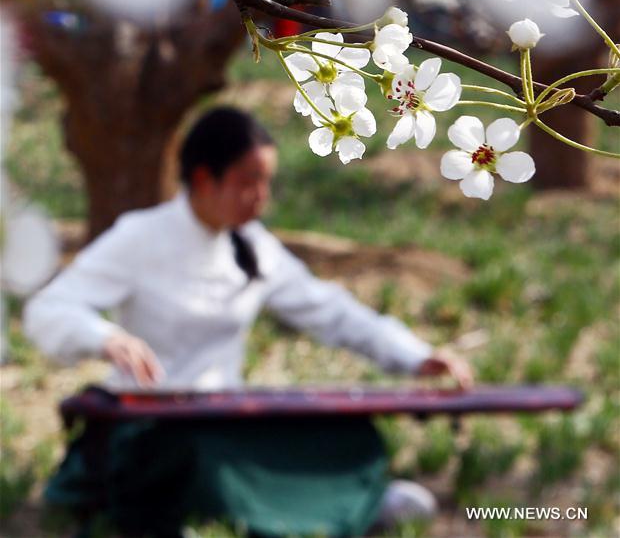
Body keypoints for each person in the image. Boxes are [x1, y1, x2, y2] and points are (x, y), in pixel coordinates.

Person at [24, 106, 472, 538]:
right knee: (198, 458)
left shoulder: (253, 248)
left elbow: (330, 311)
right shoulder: (140, 236)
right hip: (153, 427)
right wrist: (104, 336)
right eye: (248, 181)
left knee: (346, 433)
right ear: (203, 178)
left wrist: (416, 357)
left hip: (226, 415)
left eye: (266, 182)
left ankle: (343, 504)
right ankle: (310, 508)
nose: (261, 197)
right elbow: (48, 310)